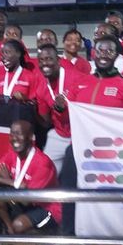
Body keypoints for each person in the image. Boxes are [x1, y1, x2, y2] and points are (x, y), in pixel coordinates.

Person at [50, 35, 123, 245]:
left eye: (109, 51)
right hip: (79, 148)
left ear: (117, 56)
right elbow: (65, 116)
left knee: (106, 200)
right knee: (70, 190)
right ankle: (67, 238)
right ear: (93, 53)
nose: (103, 53)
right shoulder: (80, 82)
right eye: (100, 50)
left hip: (111, 154)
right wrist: (60, 108)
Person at [0, 120, 61, 239]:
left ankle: (46, 233)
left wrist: (8, 182)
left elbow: (27, 200)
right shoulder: (12, 155)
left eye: (19, 133)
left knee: (19, 224)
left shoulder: (42, 163)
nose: (14, 138)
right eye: (12, 134)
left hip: (46, 208)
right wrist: (10, 181)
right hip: (20, 200)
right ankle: (10, 229)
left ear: (31, 137)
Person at [34, 43, 88, 173]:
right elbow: (46, 122)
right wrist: (33, 109)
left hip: (80, 136)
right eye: (41, 60)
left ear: (58, 60)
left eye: (48, 59)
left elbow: (88, 108)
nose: (44, 63)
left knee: (81, 173)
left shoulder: (78, 78)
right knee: (45, 171)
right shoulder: (41, 88)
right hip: (59, 135)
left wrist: (67, 106)